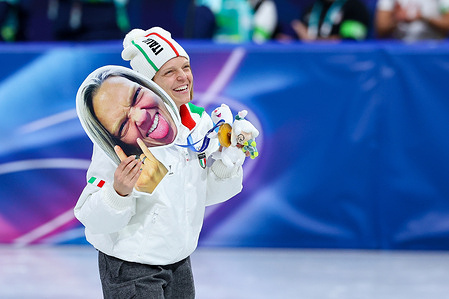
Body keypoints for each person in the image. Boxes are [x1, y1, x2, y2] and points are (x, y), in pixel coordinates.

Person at [75, 27, 245, 298]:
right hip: (130, 264)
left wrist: (231, 159)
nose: (183, 77)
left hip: (178, 260)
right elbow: (92, 218)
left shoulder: (197, 126)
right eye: (169, 72)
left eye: (185, 67)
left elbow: (200, 196)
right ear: (148, 84)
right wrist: (118, 192)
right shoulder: (121, 141)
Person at [291, 0, 371, 41]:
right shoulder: (311, 9)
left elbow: (350, 41)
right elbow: (298, 41)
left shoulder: (355, 8)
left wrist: (313, 42)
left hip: (341, 65)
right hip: (310, 66)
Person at [375, 0, 449, 41]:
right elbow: (381, 28)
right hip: (400, 48)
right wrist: (397, 19)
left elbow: (447, 24)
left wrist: (424, 18)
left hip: (433, 47)